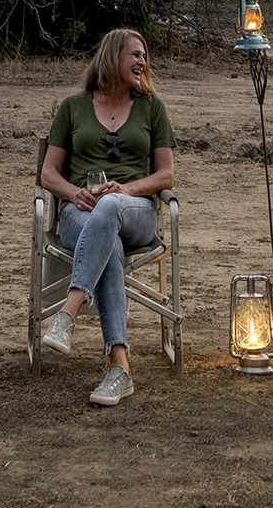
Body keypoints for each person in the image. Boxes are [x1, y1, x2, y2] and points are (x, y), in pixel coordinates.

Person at [38, 27, 176, 407]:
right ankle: (119, 366)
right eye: (135, 54)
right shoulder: (72, 107)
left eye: (144, 55)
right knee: (107, 240)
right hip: (79, 214)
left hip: (136, 211)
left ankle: (69, 310)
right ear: (112, 57)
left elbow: (166, 176)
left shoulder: (152, 108)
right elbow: (49, 173)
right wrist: (73, 192)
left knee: (111, 207)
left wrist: (127, 189)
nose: (142, 61)